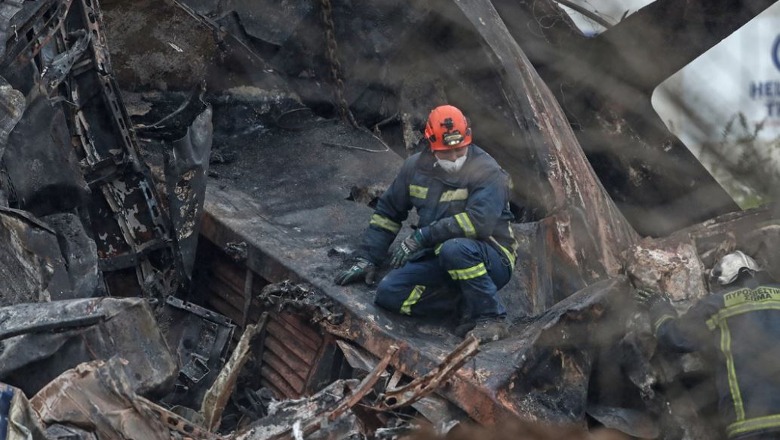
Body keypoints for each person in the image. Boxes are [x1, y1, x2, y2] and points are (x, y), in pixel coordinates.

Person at [334, 104, 518, 343]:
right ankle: (461, 307)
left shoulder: (487, 171)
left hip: (490, 257)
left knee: (455, 249)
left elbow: (478, 224)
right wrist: (368, 257)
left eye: (459, 151)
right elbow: (389, 212)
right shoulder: (415, 168)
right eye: (445, 152)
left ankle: (491, 318)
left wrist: (421, 237)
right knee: (388, 293)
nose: (454, 158)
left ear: (468, 140)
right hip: (438, 254)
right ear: (431, 143)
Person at [635, 250, 780, 440]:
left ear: (721, 283)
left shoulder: (717, 304)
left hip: (750, 422)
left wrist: (659, 307)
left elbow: (674, 336)